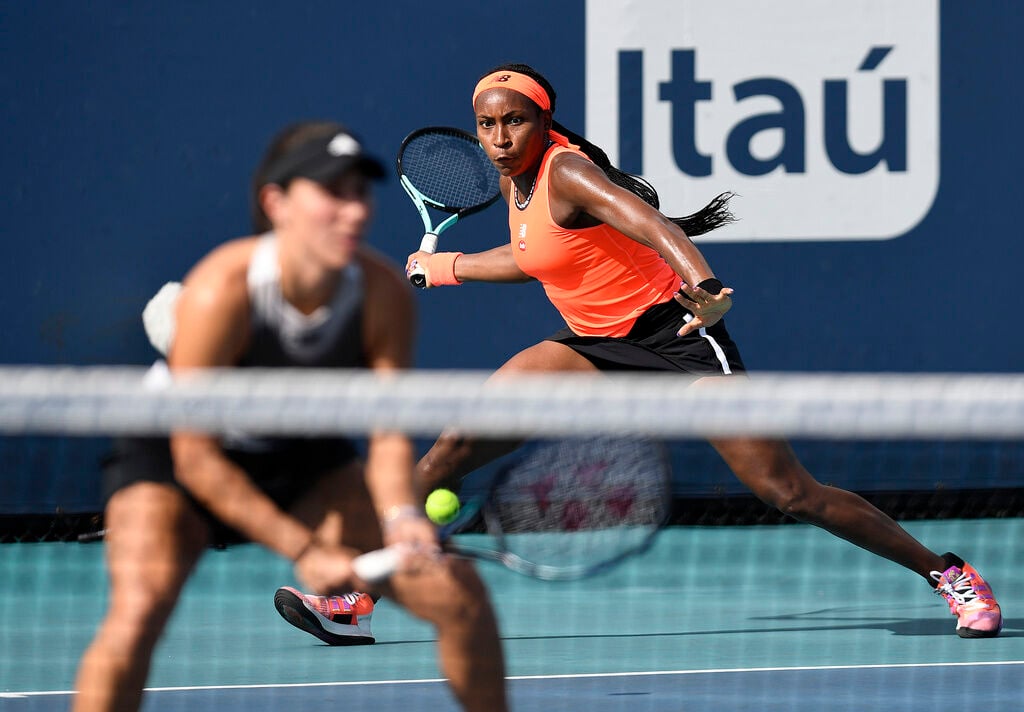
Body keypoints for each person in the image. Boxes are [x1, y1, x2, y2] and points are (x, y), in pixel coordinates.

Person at [405, 63, 1003, 639]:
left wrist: (708, 289)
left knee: (789, 492)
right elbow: (537, 255)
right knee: (454, 444)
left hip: (678, 340)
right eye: (488, 124)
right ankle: (355, 598)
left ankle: (947, 573)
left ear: (545, 121)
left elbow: (656, 227)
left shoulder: (567, 172)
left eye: (516, 122)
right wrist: (450, 267)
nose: (501, 138)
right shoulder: (516, 177)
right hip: (594, 346)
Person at [73, 121, 508, 712]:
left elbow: (386, 435)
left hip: (303, 452)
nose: (353, 211)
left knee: (459, 596)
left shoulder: (382, 294)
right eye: (332, 192)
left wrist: (402, 515)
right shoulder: (221, 291)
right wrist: (305, 551)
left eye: (359, 192)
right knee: (139, 611)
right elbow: (196, 459)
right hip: (175, 460)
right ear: (276, 203)